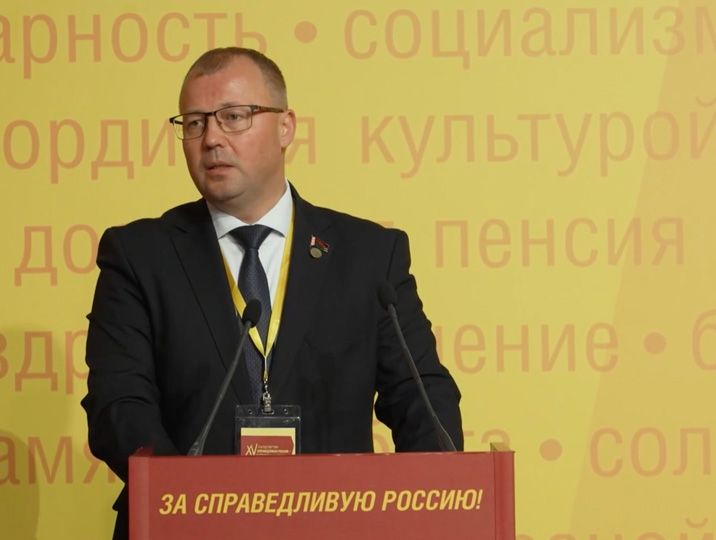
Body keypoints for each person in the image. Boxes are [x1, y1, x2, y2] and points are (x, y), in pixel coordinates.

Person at [80, 47, 463, 540]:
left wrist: (429, 508)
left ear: (286, 127)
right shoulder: (139, 256)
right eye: (194, 123)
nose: (211, 138)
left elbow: (421, 396)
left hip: (337, 527)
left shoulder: (369, 256)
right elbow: (119, 406)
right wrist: (188, 507)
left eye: (234, 117)